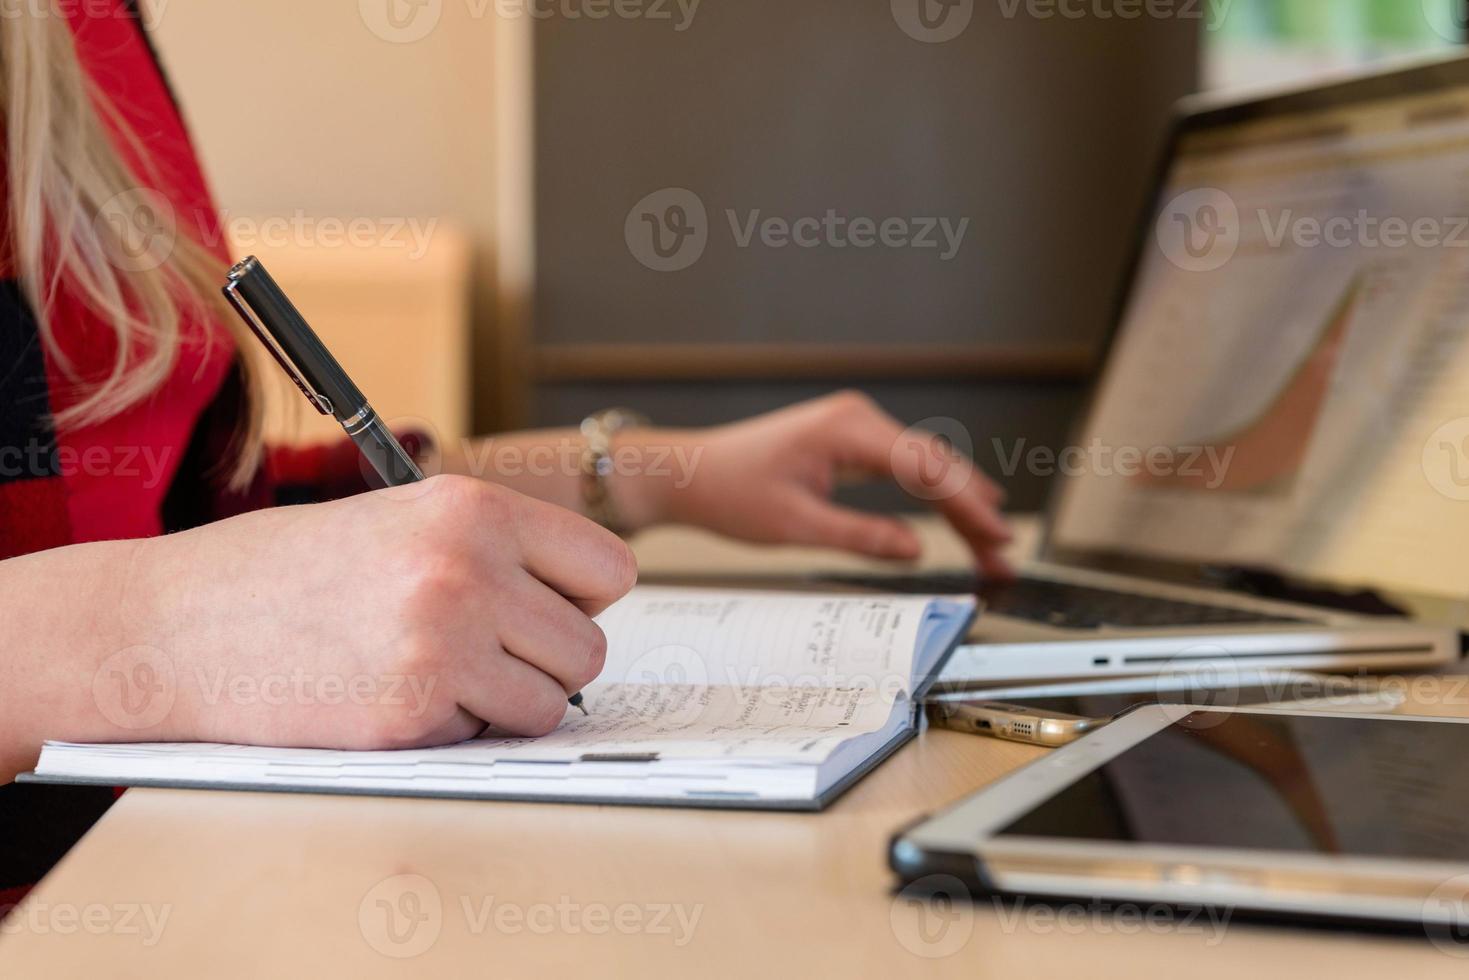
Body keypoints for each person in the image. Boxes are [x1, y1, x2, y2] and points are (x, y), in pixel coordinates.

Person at [0, 1, 1012, 898]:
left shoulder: (91, 24)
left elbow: (202, 515)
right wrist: (164, 626)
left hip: (178, 875)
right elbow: (197, 578)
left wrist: (646, 472)